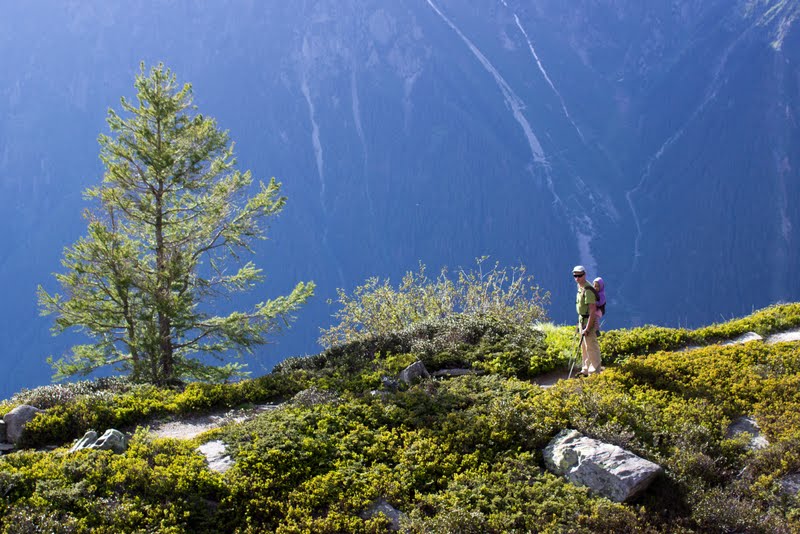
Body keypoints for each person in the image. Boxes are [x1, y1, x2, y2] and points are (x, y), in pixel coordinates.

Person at [573, 265, 601, 376]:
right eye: (575, 275)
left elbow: (592, 310)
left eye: (579, 275)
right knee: (584, 346)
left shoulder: (588, 289)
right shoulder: (580, 287)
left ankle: (594, 373)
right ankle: (585, 369)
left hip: (588, 322)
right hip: (582, 321)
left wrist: (588, 328)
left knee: (591, 347)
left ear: (584, 275)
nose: (577, 278)